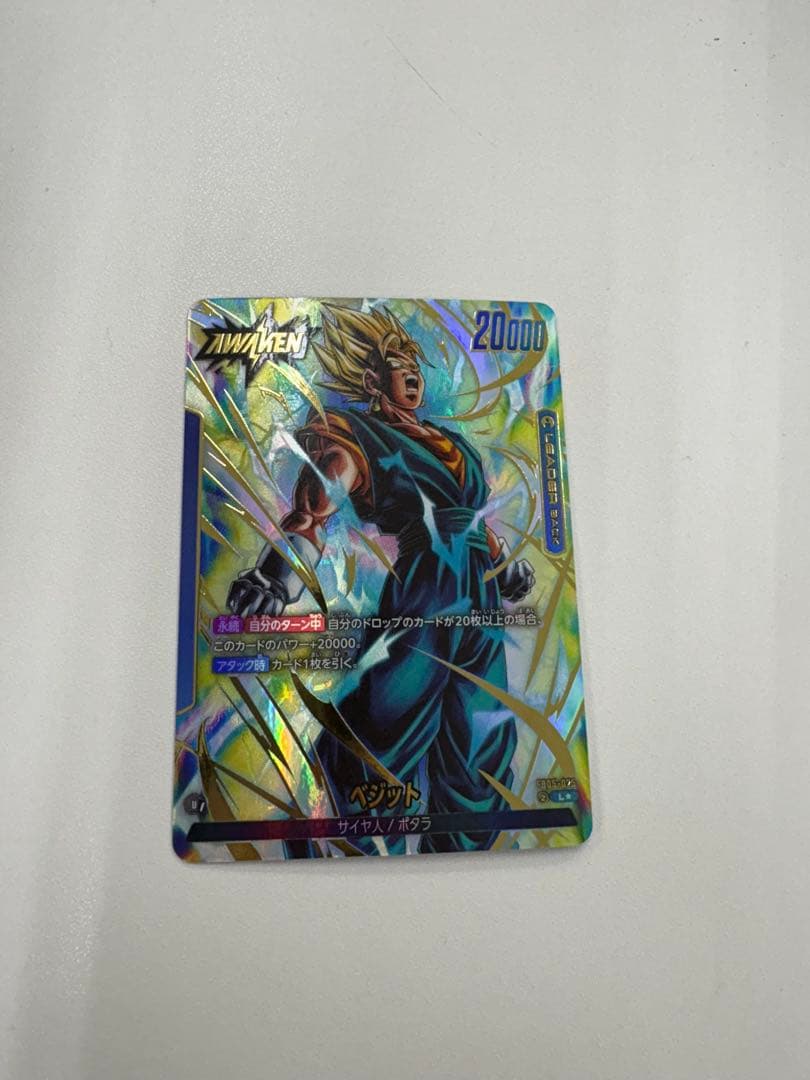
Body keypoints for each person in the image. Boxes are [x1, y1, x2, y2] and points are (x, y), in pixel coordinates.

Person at [227, 305, 534, 853]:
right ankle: (335, 834)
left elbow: (470, 520)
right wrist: (276, 577)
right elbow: (314, 510)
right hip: (428, 590)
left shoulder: (453, 446)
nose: (413, 374)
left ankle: (462, 860)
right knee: (386, 720)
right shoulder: (358, 437)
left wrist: (505, 566)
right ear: (373, 381)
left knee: (480, 739)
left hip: (479, 602)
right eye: (399, 366)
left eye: (416, 365)